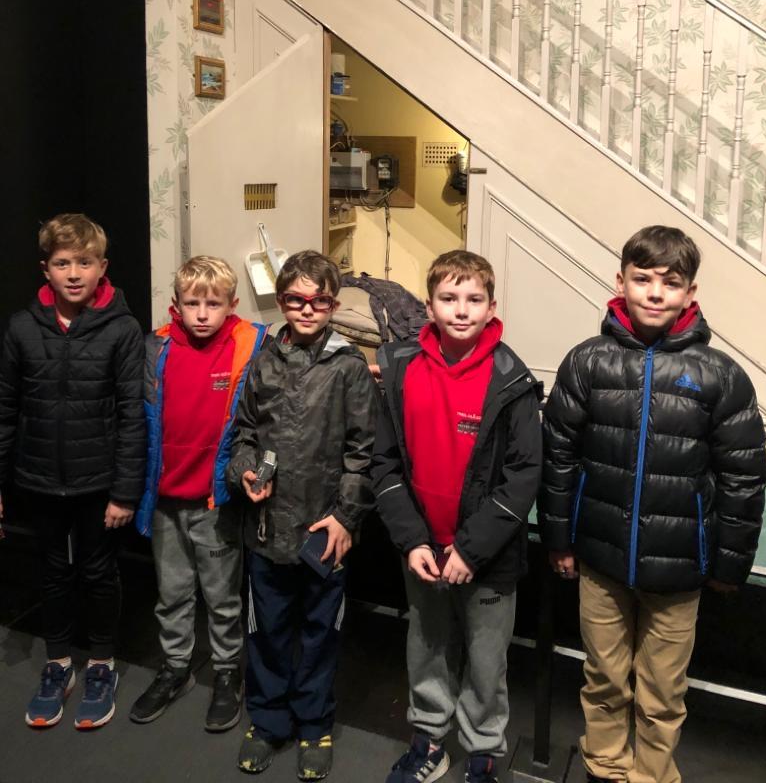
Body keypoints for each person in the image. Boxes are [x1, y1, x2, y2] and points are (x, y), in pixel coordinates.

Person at [538, 225, 766, 783]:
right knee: (604, 677)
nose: (656, 292)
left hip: (679, 571)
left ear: (691, 293)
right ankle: (605, 767)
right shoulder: (587, 362)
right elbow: (559, 456)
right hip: (600, 561)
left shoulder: (720, 376)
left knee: (663, 691)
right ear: (620, 282)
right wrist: (559, 539)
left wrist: (729, 564)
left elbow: (743, 478)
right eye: (643, 279)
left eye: (671, 282)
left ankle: (652, 774)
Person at [373, 250, 542, 783]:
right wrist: (412, 541)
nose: (461, 310)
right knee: (427, 649)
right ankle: (428, 740)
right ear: (429, 306)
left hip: (486, 557)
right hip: (423, 548)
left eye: (474, 299)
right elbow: (385, 464)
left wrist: (471, 549)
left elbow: (523, 476)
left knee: (487, 662)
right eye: (449, 298)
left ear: (492, 307)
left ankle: (483, 750)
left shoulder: (512, 380)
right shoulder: (400, 368)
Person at [227, 250, 377, 781]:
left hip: (324, 531)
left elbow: (363, 453)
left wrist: (346, 518)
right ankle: (268, 721)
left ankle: (314, 724)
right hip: (266, 527)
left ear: (333, 305)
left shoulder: (348, 367)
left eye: (319, 301)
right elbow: (244, 433)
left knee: (319, 634)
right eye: (296, 299)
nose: (307, 309)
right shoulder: (264, 360)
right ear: (282, 300)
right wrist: (245, 471)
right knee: (266, 631)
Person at [0, 213, 146, 729]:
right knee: (52, 572)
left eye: (85, 262)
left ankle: (102, 663)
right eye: (63, 263)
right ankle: (58, 662)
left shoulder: (122, 329)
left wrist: (124, 492)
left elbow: (133, 414)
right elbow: (5, 408)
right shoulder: (22, 328)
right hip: (39, 478)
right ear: (46, 269)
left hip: (98, 482)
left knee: (99, 572)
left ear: (102, 267)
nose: (74, 273)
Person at [131, 256, 270, 732]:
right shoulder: (157, 347)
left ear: (232, 304)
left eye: (214, 304)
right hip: (165, 500)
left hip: (215, 502)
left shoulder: (251, 345)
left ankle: (228, 671)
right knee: (171, 593)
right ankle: (175, 666)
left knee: (222, 596)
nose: (203, 314)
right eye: (193, 304)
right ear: (177, 305)